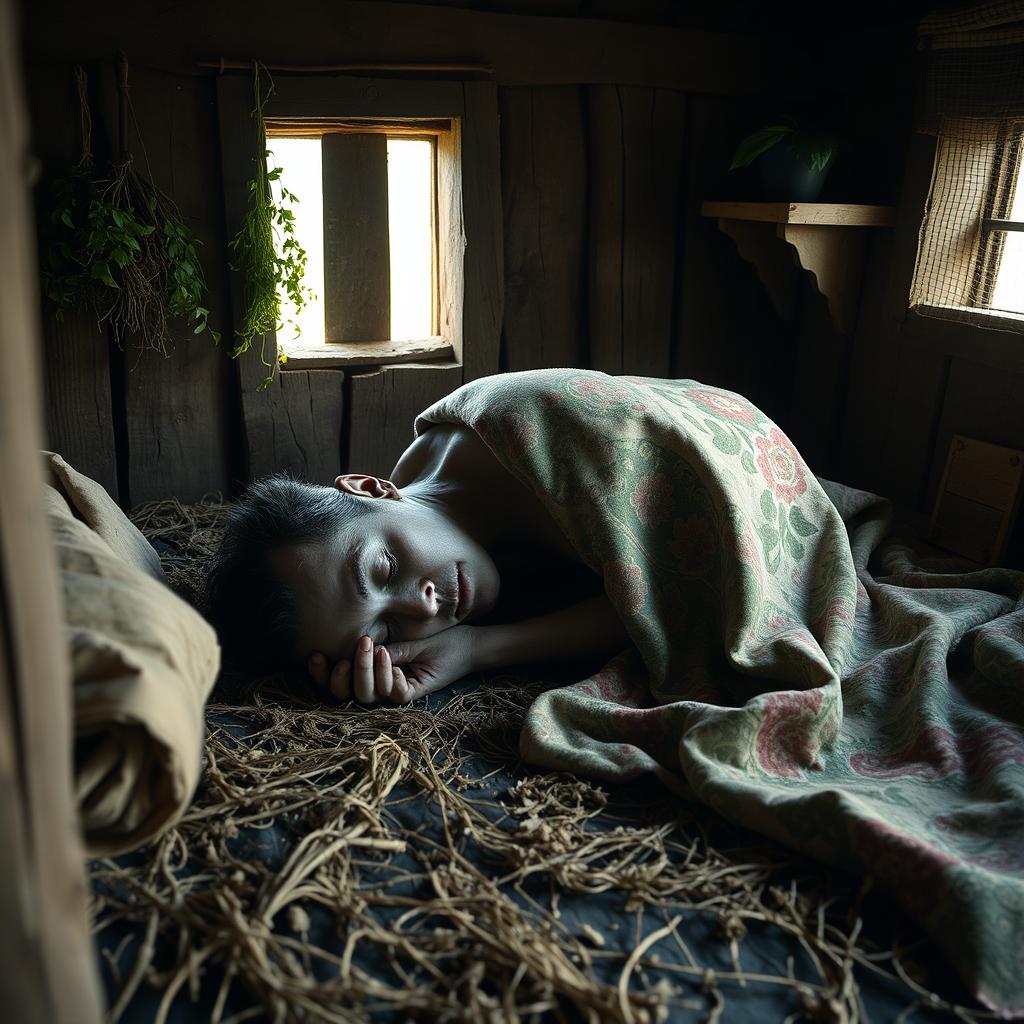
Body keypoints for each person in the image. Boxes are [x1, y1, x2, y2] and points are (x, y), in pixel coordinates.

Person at [208, 420, 629, 705]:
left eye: (384, 569)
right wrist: (468, 649)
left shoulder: (549, 450)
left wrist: (484, 648)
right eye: (386, 631)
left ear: (371, 489)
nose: (425, 608)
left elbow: (660, 605)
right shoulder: (425, 510)